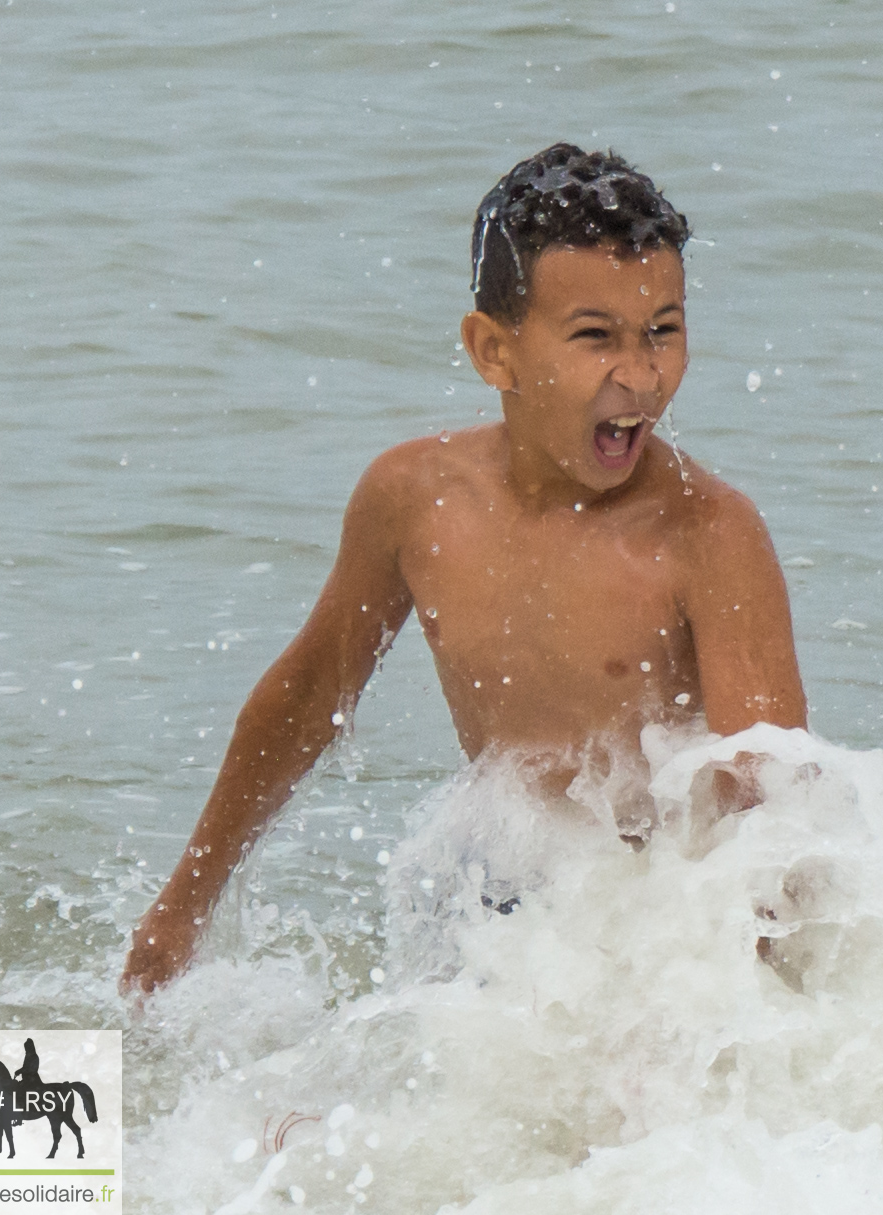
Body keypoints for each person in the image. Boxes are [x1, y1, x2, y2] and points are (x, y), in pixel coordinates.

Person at [121, 144, 806, 993]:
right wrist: (186, 902)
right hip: (490, 894)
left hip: (648, 928)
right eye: (595, 337)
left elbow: (765, 805)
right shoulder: (415, 499)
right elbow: (307, 697)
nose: (640, 375)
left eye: (663, 330)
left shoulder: (708, 532)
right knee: (302, 1121)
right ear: (494, 351)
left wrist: (744, 1017)